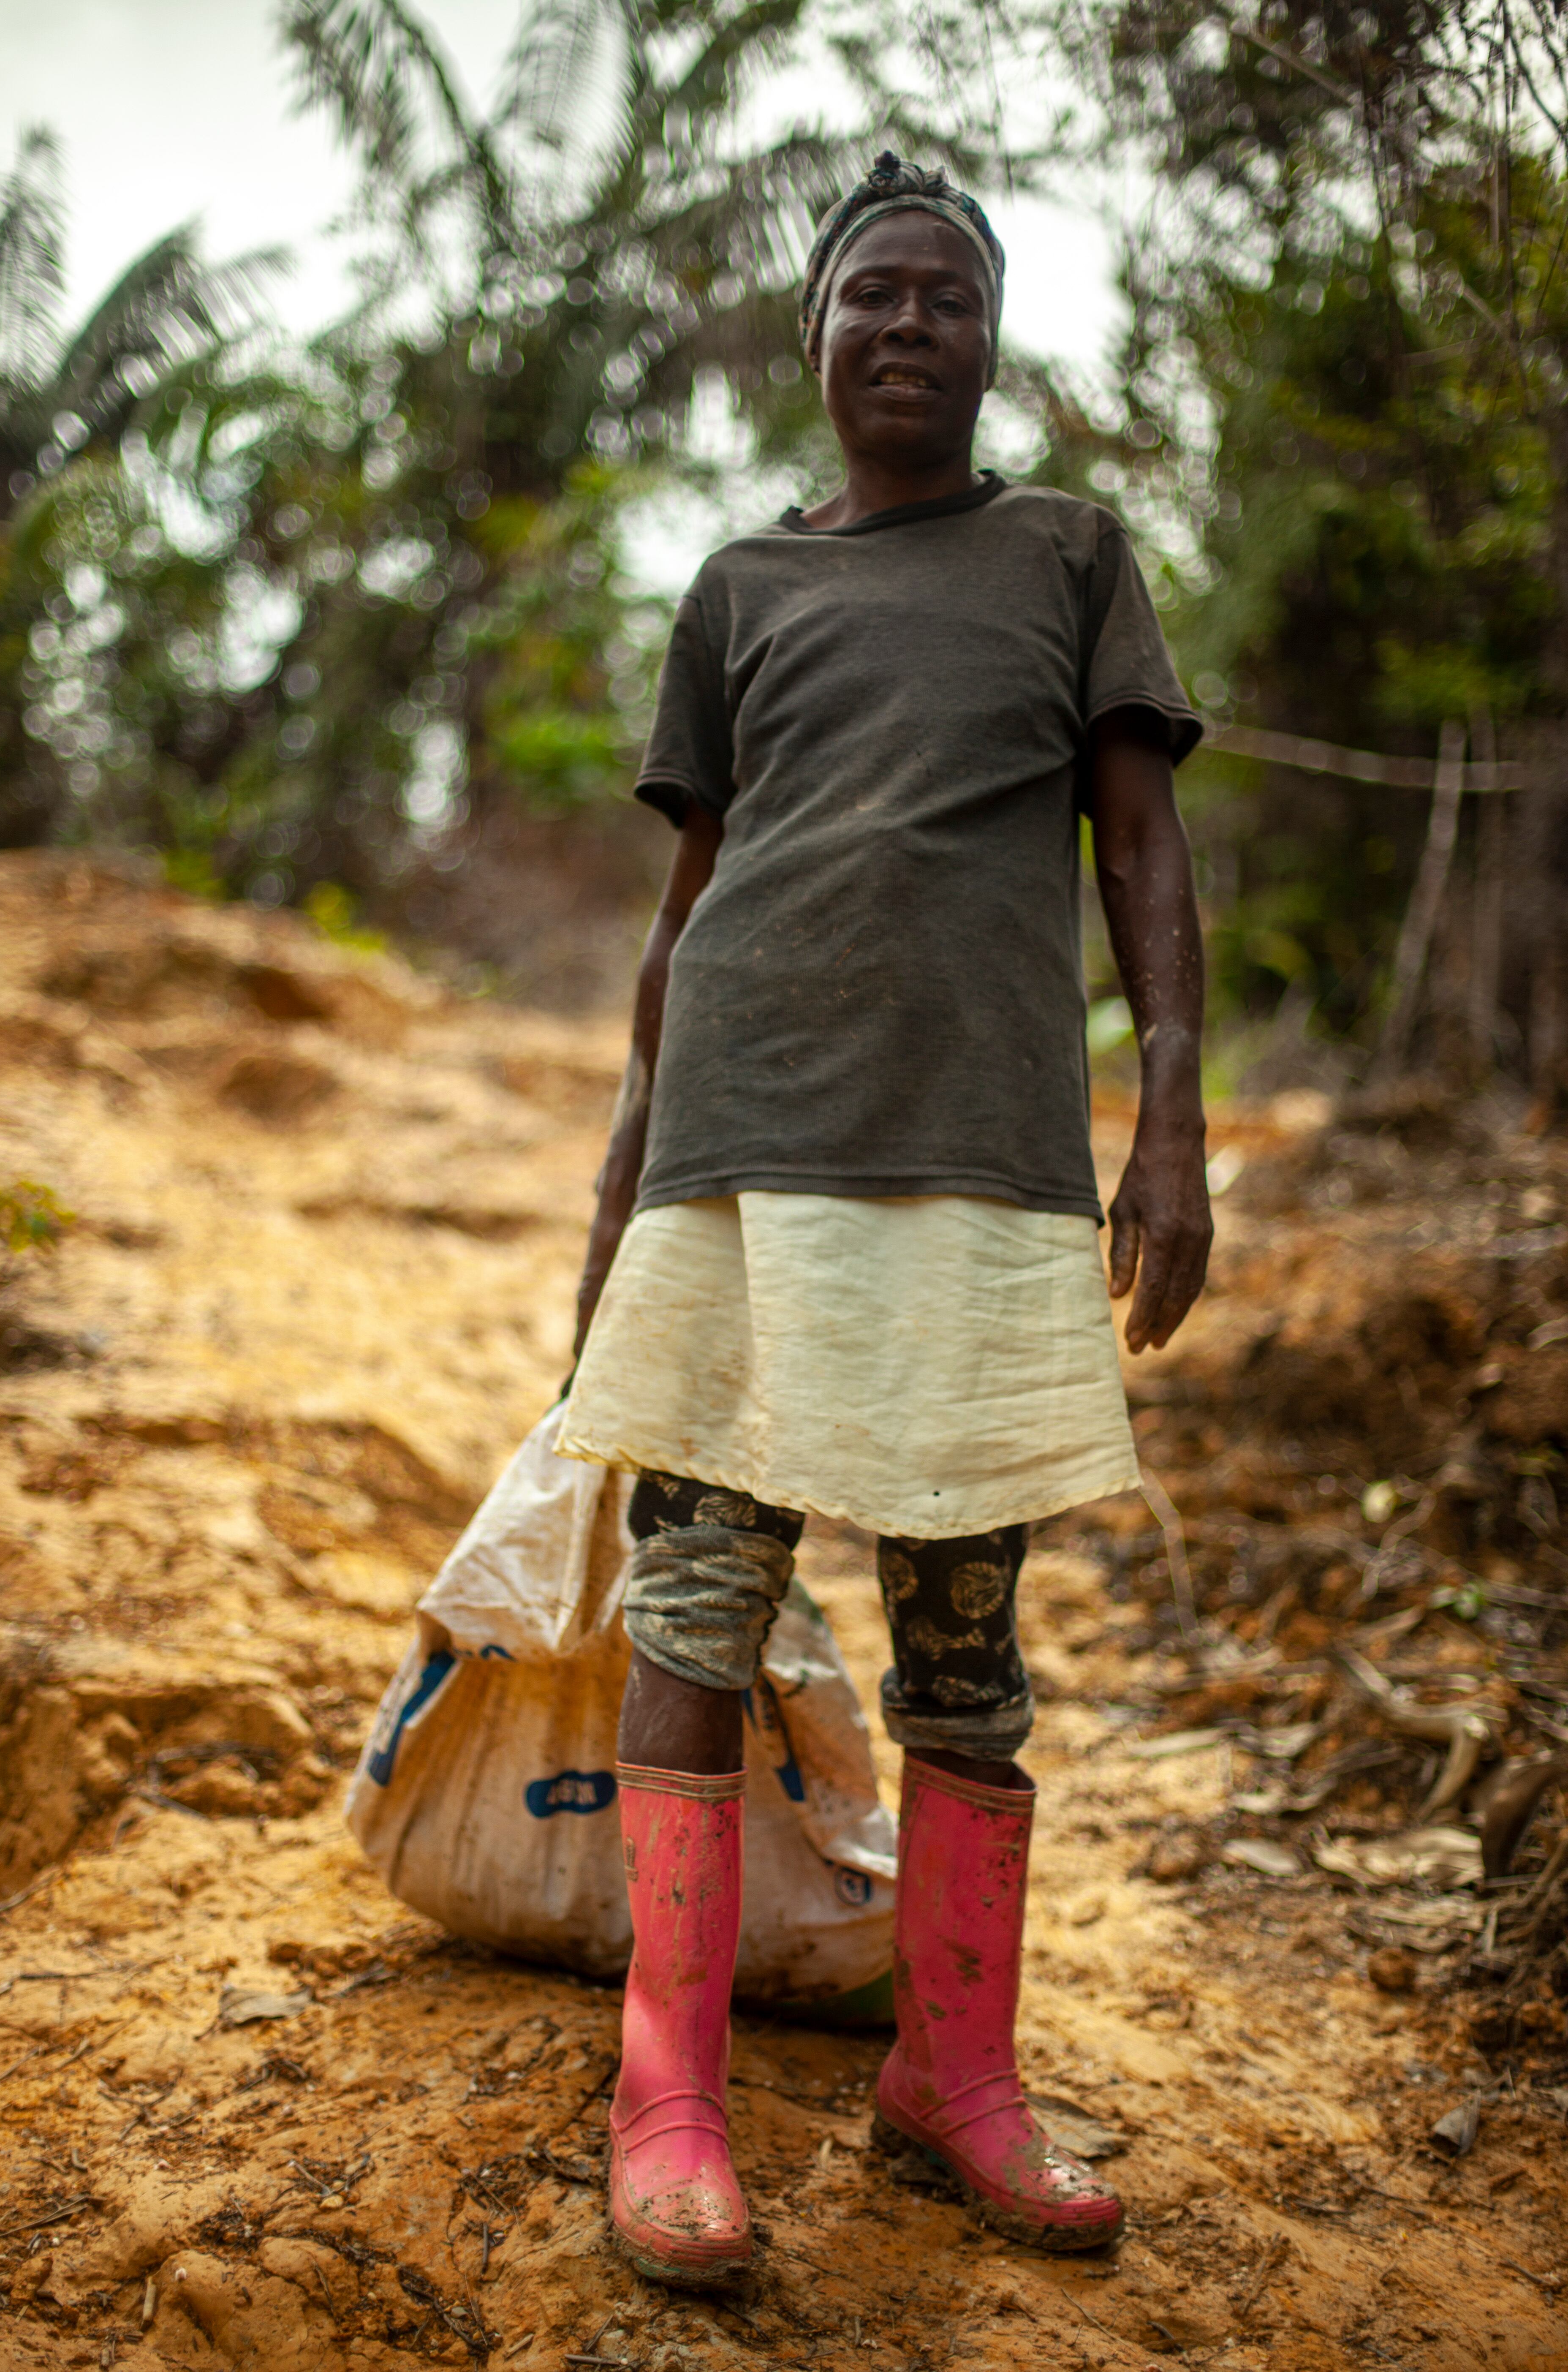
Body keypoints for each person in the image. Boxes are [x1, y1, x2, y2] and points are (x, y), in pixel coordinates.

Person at [558, 150, 1213, 2285]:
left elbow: (1139, 852)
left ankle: (957, 2078)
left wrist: (1176, 1118)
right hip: (741, 1153)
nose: (907, 322)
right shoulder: (741, 587)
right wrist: (621, 1175)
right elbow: (687, 911)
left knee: (967, 1645)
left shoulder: (1069, 557)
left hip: (981, 1160)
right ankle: (670, 2100)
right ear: (817, 337)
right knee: (695, 1612)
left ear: (991, 337)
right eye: (871, 295)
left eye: (946, 294)